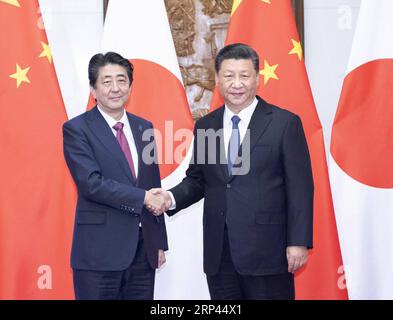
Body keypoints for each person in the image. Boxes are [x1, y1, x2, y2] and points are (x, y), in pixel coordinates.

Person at [149, 43, 314, 300]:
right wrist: (169, 198)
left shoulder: (284, 123)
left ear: (257, 79)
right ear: (217, 79)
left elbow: (300, 188)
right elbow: (198, 181)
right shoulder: (207, 125)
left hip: (268, 251)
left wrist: (298, 241)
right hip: (220, 252)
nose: (237, 83)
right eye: (229, 76)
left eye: (244, 75)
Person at [63, 52, 168, 300]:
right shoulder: (77, 129)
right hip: (98, 253)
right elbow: (91, 184)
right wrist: (142, 197)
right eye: (106, 81)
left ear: (130, 86)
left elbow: (152, 185)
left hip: (143, 252)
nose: (115, 88)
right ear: (93, 89)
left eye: (121, 80)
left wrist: (158, 242)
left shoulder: (145, 127)